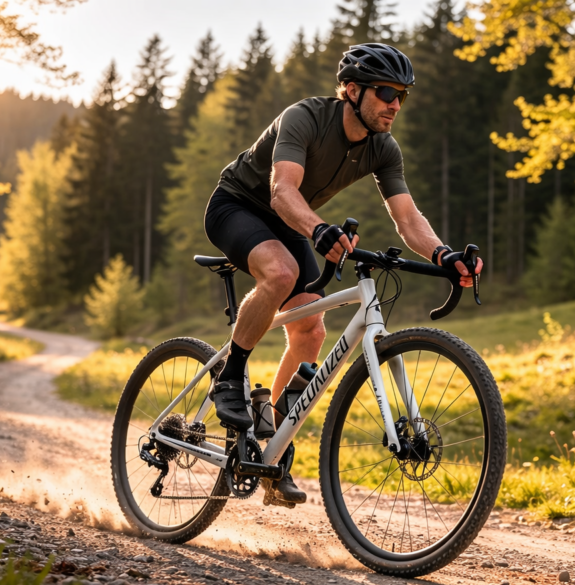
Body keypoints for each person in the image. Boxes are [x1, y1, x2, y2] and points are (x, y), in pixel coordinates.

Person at [203, 43, 483, 507]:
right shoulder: (306, 118)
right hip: (239, 206)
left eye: (402, 96)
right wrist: (318, 229)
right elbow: (281, 191)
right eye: (385, 93)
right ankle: (230, 378)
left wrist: (443, 256)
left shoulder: (382, 148)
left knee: (311, 328)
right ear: (352, 90)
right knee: (281, 270)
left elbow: (408, 219)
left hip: (293, 220)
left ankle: (269, 446)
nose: (395, 104)